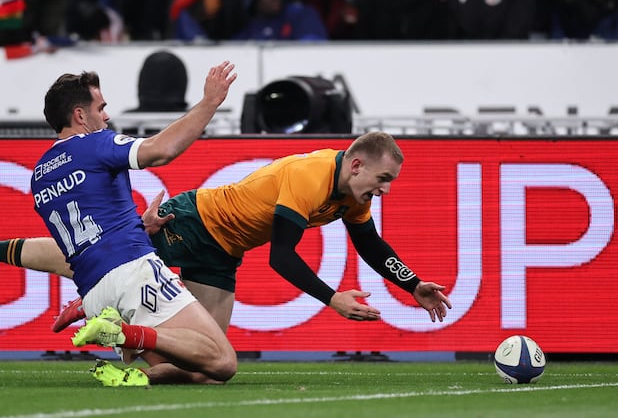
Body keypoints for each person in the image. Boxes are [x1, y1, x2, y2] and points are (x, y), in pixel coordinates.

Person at [3, 131, 452, 345]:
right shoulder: (310, 176)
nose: (386, 190)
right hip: (194, 223)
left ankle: (115, 328)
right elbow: (281, 257)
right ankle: (17, 256)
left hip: (223, 252)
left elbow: (371, 245)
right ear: (356, 165)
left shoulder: (353, 195)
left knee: (208, 355)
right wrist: (332, 298)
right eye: (383, 179)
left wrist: (413, 285)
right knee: (96, 254)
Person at [27, 61, 238, 386]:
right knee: (222, 362)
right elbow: (161, 150)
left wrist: (137, 226)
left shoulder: (40, 174)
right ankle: (125, 333)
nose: (106, 116)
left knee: (197, 371)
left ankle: (136, 373)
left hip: (94, 293)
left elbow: (90, 230)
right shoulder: (95, 143)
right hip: (132, 272)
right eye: (101, 108)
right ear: (80, 116)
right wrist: (210, 102)